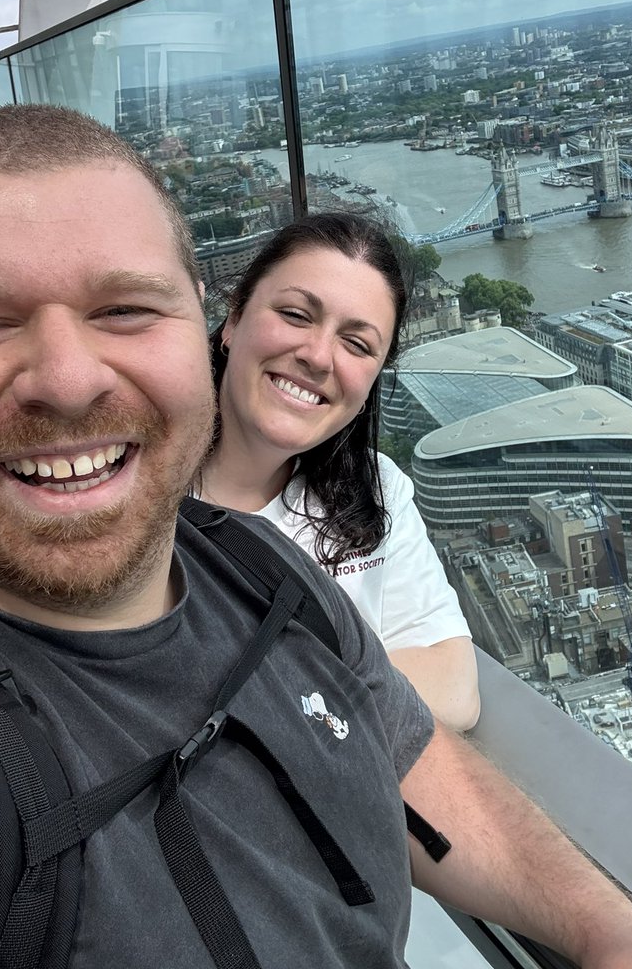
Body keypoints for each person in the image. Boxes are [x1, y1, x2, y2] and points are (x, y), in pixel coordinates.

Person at [0, 104, 632, 969]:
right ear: (230, 322)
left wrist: (616, 934)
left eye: (125, 310)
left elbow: (406, 748)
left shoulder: (256, 564)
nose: (69, 381)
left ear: (193, 321)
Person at [196, 212, 480, 729]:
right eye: (296, 315)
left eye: (357, 344)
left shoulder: (375, 489)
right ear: (233, 320)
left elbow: (455, 690)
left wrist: (236, 688)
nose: (319, 357)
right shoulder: (129, 488)